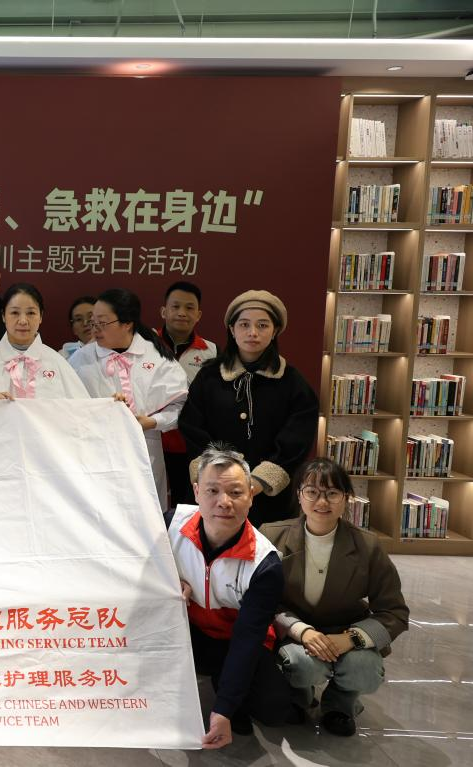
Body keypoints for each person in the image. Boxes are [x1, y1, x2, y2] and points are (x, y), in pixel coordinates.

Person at [261, 458, 409, 737]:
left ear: (347, 498)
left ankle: (340, 705)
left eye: (332, 493)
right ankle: (298, 697)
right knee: (301, 666)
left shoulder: (367, 545)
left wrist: (351, 639)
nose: (322, 501)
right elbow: (261, 600)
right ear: (299, 495)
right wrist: (302, 631)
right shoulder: (271, 535)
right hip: (296, 633)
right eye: (312, 492)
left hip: (346, 631)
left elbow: (395, 612)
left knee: (364, 669)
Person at [167, 444, 291, 748]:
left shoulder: (265, 564)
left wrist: (223, 710)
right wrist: (168, 576)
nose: (223, 502)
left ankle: (230, 685)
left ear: (251, 495)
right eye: (212, 491)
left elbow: (248, 639)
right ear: (196, 492)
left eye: (235, 493)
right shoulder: (170, 524)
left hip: (235, 638)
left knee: (274, 709)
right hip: (189, 632)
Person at [179, 290, 319, 527]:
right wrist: (217, 478)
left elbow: (297, 439)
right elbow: (192, 427)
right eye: (244, 324)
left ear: (275, 331)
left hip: (269, 500)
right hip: (214, 493)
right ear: (232, 329)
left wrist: (259, 481)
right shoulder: (209, 376)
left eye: (262, 325)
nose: (253, 332)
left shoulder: (293, 383)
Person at [70, 288, 188, 511]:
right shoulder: (81, 360)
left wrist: (152, 422)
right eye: (93, 322)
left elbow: (182, 406)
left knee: (145, 515)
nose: (94, 329)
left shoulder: (157, 357)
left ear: (127, 323)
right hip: (95, 453)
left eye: (102, 323)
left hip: (145, 452)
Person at [158, 281, 218, 507]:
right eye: (175, 307)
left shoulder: (211, 351)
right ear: (164, 311)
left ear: (199, 314)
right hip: (152, 440)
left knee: (187, 505)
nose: (182, 313)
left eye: (189, 308)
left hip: (191, 445)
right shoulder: (145, 344)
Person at [0, 283, 88, 399]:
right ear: (3, 316)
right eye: (15, 313)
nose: (23, 321)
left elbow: (82, 406)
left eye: (31, 313)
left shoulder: (57, 362)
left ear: (41, 316)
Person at [61, 295, 96, 359]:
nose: (85, 323)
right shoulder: (63, 356)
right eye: (79, 319)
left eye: (91, 316)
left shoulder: (114, 348)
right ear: (74, 329)